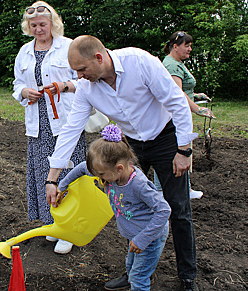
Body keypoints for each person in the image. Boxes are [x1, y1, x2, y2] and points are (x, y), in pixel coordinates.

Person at [45, 35, 200, 291]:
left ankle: (187, 277)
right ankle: (136, 273)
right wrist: (53, 179)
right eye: (76, 72)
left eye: (82, 69)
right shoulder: (86, 87)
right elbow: (72, 130)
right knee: (127, 205)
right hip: (131, 147)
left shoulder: (139, 62)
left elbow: (176, 101)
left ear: (99, 57)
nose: (79, 76)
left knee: (179, 209)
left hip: (165, 139)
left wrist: (184, 150)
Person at [56, 125, 171, 291]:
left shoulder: (138, 185)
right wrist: (62, 186)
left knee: (139, 278)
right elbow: (82, 168)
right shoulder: (111, 173)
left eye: (101, 175)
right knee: (131, 266)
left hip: (150, 237)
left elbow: (164, 210)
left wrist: (142, 240)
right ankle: (133, 278)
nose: (98, 177)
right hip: (135, 235)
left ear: (119, 168)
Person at [12, 1, 87, 254]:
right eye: (33, 25)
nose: (38, 29)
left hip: (66, 122)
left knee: (70, 174)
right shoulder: (24, 51)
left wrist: (64, 85)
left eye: (42, 24)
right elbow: (16, 84)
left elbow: (85, 80)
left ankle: (73, 227)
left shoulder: (69, 46)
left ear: (53, 24)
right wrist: (24, 91)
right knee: (45, 174)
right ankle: (54, 224)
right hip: (38, 124)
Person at [156, 31, 216, 200]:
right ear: (175, 47)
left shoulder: (177, 63)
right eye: (187, 45)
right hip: (173, 115)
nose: (190, 49)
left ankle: (183, 189)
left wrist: (196, 95)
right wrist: (198, 109)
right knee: (174, 151)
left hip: (179, 113)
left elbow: (183, 90)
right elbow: (178, 93)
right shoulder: (172, 65)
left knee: (180, 149)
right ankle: (163, 191)